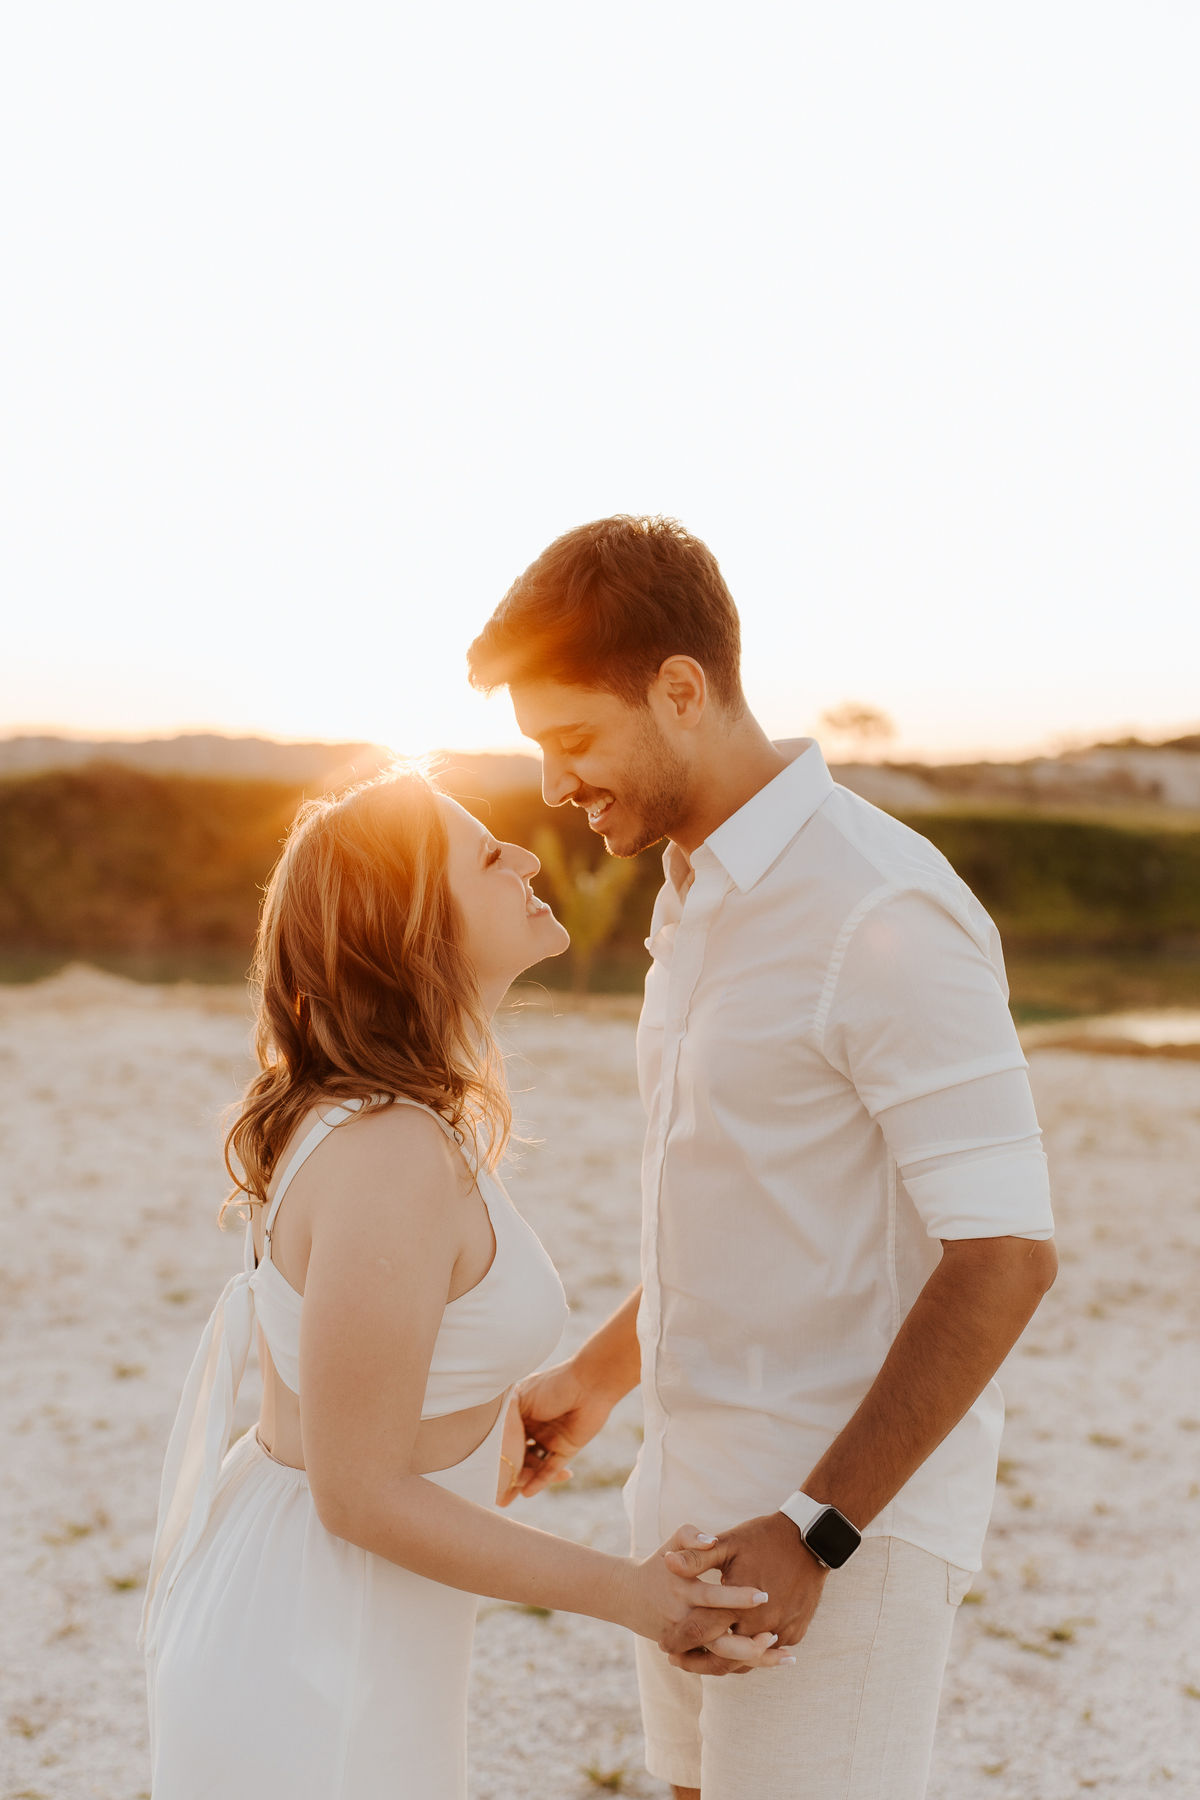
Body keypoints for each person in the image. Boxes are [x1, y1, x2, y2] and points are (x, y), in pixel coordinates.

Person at [466, 515, 1059, 1800]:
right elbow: (751, 1201)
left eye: (574, 740)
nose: (557, 785)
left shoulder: (880, 907)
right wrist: (601, 1372)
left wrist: (819, 1528)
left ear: (681, 690)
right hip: (685, 1493)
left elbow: (1007, 1254)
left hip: (840, 1522)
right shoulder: (695, 897)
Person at [138, 766, 786, 1800]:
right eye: (488, 855)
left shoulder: (396, 1120)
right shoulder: (386, 1149)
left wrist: (493, 1429)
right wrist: (634, 1595)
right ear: (413, 927)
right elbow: (355, 1492)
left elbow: (354, 1420)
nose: (529, 857)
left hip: (349, 1626)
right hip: (316, 1647)